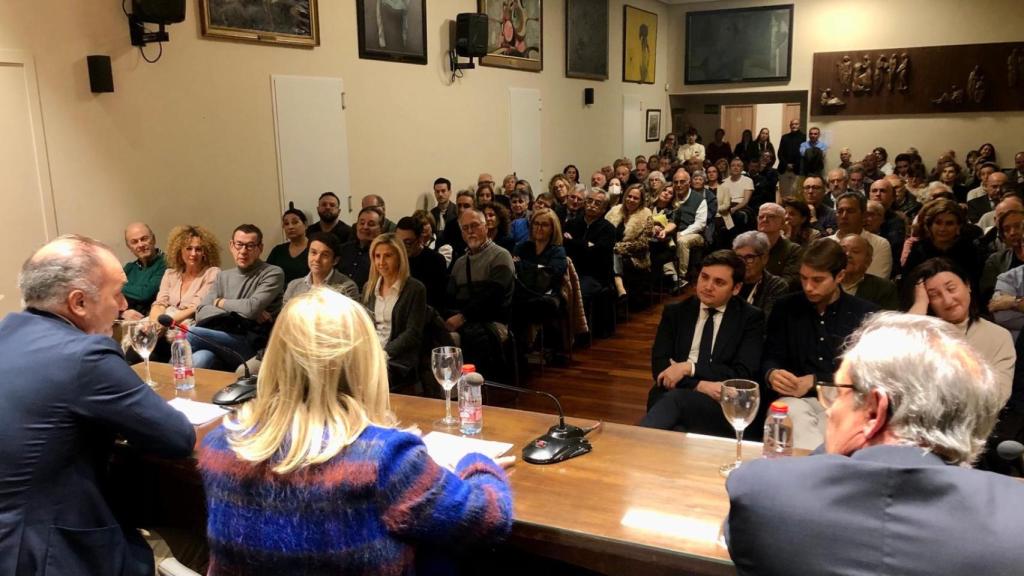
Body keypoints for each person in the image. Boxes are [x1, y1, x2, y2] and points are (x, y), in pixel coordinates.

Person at [198, 288, 512, 574]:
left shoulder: (218, 444)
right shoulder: (386, 458)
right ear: (363, 361)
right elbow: (488, 518)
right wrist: (478, 462)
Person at [727, 312, 1024, 576]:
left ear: (874, 410)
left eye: (839, 392)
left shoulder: (763, 491)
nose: (829, 409)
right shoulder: (1014, 519)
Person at [0, 235, 195, 575]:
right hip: (53, 554)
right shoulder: (84, 355)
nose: (123, 305)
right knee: (196, 541)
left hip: (12, 539)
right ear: (78, 303)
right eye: (117, 292)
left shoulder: (8, 333)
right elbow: (177, 437)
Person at [762, 239, 879, 450]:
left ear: (840, 276)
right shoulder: (786, 307)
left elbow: (867, 375)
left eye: (817, 280)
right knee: (788, 412)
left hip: (843, 399)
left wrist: (816, 381)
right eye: (804, 278)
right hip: (794, 400)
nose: (808, 287)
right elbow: (770, 355)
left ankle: (814, 471)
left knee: (836, 423)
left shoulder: (864, 314)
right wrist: (772, 373)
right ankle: (820, 470)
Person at [641, 251, 765, 436]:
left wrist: (688, 368)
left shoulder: (750, 318)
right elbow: (660, 367)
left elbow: (742, 374)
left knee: (674, 412)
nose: (708, 286)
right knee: (677, 426)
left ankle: (632, 451)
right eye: (704, 277)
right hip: (676, 392)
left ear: (736, 288)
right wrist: (700, 385)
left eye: (719, 282)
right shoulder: (676, 312)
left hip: (723, 402)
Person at [907, 258, 1014, 407]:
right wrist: (919, 305)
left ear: (967, 285)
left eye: (951, 289)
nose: (948, 300)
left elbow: (997, 397)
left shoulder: (998, 336)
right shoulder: (919, 334)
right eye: (933, 295)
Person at [191, 224, 285, 370]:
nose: (243, 251)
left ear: (260, 248)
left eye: (250, 246)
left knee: (190, 333)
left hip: (251, 343)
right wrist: (242, 314)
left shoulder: (272, 273)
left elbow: (251, 308)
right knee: (201, 358)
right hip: (219, 337)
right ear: (231, 245)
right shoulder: (223, 276)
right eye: (239, 244)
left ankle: (162, 385)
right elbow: (201, 312)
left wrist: (219, 302)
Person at [445, 209, 515, 378]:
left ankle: (476, 390)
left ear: (485, 228)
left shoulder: (500, 256)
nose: (470, 231)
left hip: (491, 320)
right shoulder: (460, 263)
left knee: (475, 337)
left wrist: (462, 317)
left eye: (474, 226)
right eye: (465, 228)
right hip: (463, 319)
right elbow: (449, 297)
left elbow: (493, 297)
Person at [364, 233, 427, 389]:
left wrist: (383, 353)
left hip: (398, 358)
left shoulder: (415, 289)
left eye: (388, 256)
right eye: (377, 256)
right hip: (370, 352)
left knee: (371, 378)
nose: (381, 262)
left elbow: (412, 333)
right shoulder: (369, 288)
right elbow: (364, 325)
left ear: (399, 257)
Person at [511, 208, 568, 355]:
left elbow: (552, 274)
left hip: (548, 295)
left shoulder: (557, 250)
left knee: (521, 308)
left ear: (552, 228)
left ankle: (523, 350)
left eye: (544, 225)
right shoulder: (522, 247)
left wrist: (525, 266)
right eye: (536, 223)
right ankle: (517, 350)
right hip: (524, 292)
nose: (539, 228)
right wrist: (538, 268)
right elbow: (514, 270)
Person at [150, 224, 221, 328]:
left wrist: (165, 325)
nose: (193, 253)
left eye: (198, 249)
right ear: (180, 251)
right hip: (163, 321)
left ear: (204, 253)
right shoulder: (170, 274)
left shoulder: (212, 273)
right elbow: (160, 304)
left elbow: (195, 308)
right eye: (189, 248)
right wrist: (153, 324)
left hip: (188, 324)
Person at [902, 199, 983, 289]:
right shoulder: (919, 248)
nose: (942, 229)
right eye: (938, 223)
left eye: (949, 223)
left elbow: (973, 285)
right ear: (930, 225)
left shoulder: (969, 250)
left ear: (958, 226)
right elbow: (908, 282)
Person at [828, 192, 893, 279]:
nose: (844, 216)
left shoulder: (879, 244)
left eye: (850, 211)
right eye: (840, 211)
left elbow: (876, 283)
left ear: (863, 215)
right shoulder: (825, 244)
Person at [606, 184, 654, 299]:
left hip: (635, 257)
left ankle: (619, 285)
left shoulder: (646, 214)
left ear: (641, 201)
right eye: (629, 196)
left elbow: (643, 244)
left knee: (613, 253)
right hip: (610, 251)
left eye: (635, 198)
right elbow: (604, 231)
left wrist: (617, 247)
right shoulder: (615, 210)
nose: (631, 200)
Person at [282, 232, 359, 303]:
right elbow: (284, 316)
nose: (317, 259)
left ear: (335, 260)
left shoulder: (347, 288)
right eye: (313, 253)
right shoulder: (293, 286)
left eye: (325, 255)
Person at [395, 216, 447, 311]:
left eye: (408, 243)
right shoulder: (394, 259)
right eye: (398, 242)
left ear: (420, 239)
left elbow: (437, 301)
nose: (401, 247)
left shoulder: (436, 261)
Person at [839, 233, 900, 310]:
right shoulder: (824, 283)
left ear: (868, 261)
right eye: (843, 250)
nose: (847, 254)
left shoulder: (884, 289)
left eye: (855, 251)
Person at [121, 222, 167, 319]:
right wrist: (122, 313)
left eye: (144, 239)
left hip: (153, 323)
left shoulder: (166, 263)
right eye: (134, 242)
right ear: (129, 247)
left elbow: (145, 293)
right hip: (127, 324)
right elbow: (111, 296)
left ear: (153, 239)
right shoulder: (129, 268)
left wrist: (117, 285)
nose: (140, 244)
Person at [757, 203, 802, 289]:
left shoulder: (793, 250)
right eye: (761, 217)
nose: (765, 220)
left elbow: (789, 281)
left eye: (771, 216)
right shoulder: (749, 245)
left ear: (782, 223)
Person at [338, 206, 384, 290]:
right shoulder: (343, 249)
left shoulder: (382, 255)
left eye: (371, 224)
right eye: (362, 223)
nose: (365, 227)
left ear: (380, 229)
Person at [266, 207, 310, 284]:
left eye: (295, 222)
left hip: (308, 294)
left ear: (305, 225)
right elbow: (267, 274)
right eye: (286, 224)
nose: (290, 227)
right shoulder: (278, 250)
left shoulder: (314, 249)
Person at [717, 157, 754, 232]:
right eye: (733, 165)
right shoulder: (723, 182)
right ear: (730, 168)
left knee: (738, 216)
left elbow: (745, 201)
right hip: (727, 205)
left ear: (742, 168)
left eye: (738, 166)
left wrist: (734, 208)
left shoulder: (748, 180)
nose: (735, 168)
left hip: (741, 206)